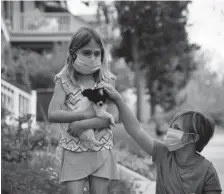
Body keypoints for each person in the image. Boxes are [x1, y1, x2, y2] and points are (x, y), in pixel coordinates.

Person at [96, 82, 222, 194]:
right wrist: (119, 99)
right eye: (171, 126)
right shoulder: (163, 153)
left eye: (177, 128)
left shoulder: (207, 171)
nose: (170, 131)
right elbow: (136, 130)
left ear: (193, 138)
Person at [48, 27, 119, 194]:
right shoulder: (63, 80)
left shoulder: (107, 80)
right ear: (74, 53)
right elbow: (52, 113)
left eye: (97, 53)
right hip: (74, 150)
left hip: (101, 148)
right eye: (86, 53)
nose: (93, 57)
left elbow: (114, 115)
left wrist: (83, 124)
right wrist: (84, 114)